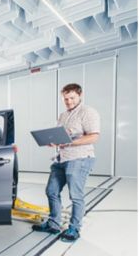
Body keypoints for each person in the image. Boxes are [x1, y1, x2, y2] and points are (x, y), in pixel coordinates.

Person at [34, 83, 100, 241]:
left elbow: (93, 136)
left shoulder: (88, 112)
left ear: (80, 95)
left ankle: (74, 229)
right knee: (51, 191)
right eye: (66, 99)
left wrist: (69, 143)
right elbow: (61, 136)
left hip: (79, 158)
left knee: (75, 196)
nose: (69, 101)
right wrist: (53, 141)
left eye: (72, 98)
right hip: (62, 158)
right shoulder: (63, 115)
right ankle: (53, 224)